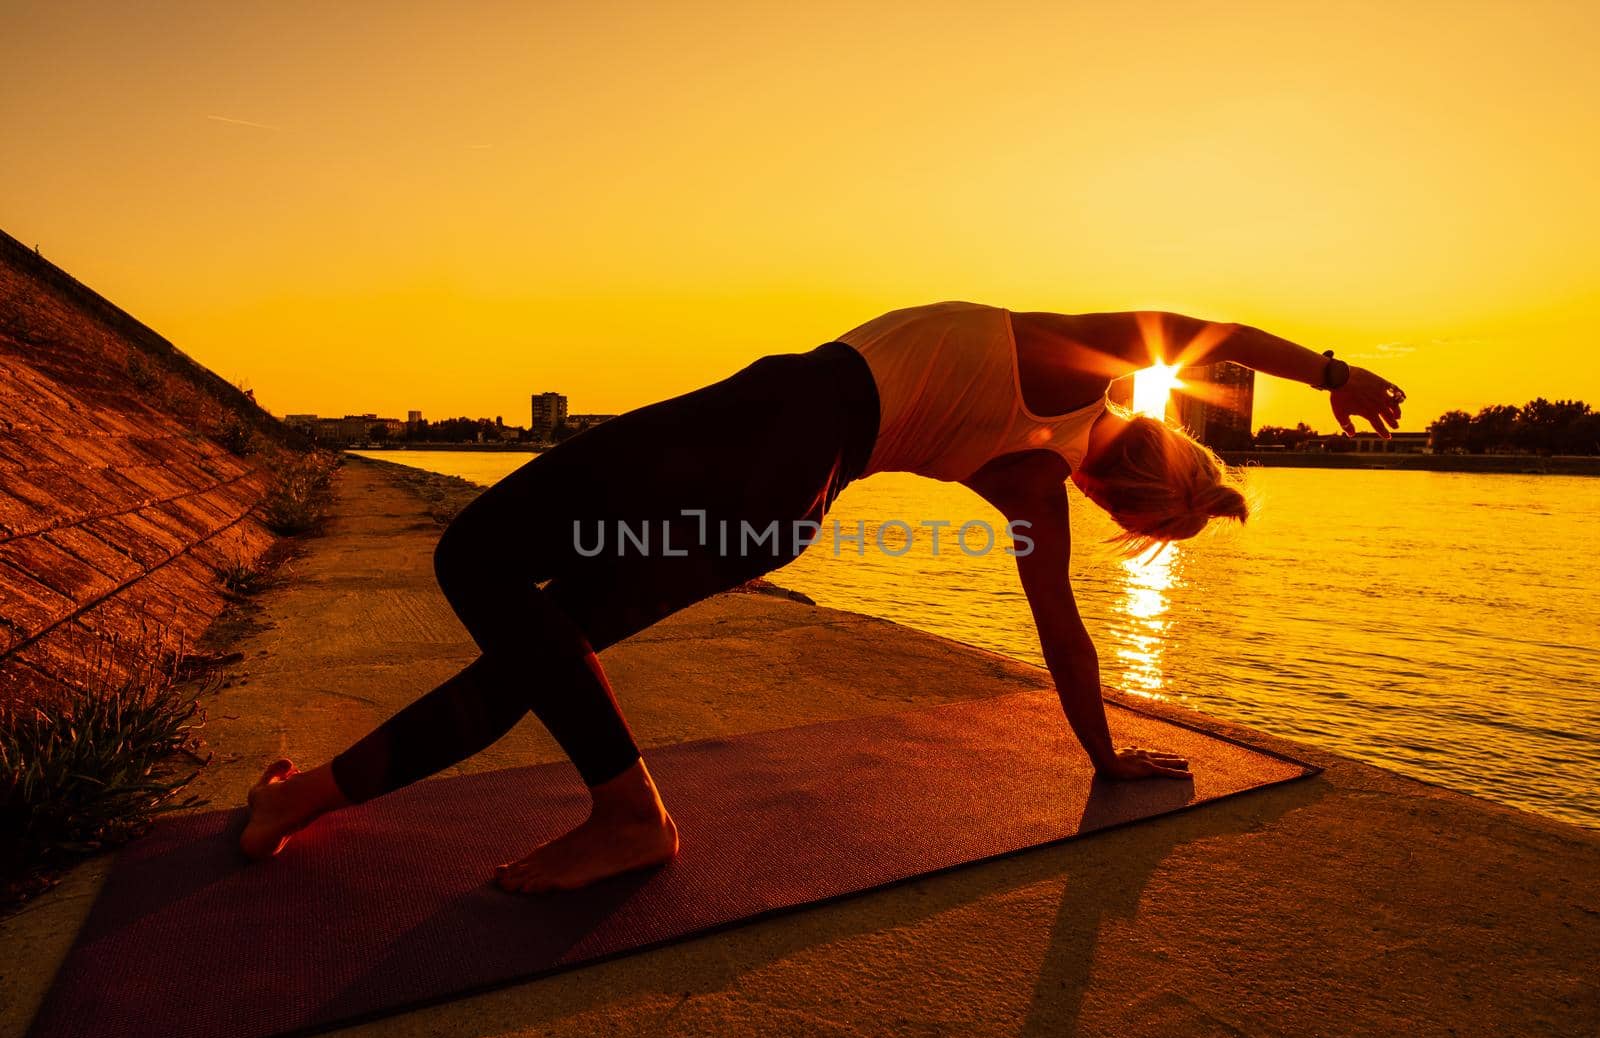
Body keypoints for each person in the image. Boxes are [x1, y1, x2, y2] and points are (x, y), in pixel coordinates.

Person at [239, 301, 1406, 892]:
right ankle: (305, 803)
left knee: (477, 559)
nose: (1111, 521)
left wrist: (1336, 372)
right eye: (1136, 520)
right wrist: (1100, 757)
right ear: (1133, 493)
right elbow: (1062, 632)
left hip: (773, 437)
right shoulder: (1038, 480)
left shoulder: (1068, 371)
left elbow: (1208, 325)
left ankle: (628, 811)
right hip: (782, 502)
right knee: (542, 646)